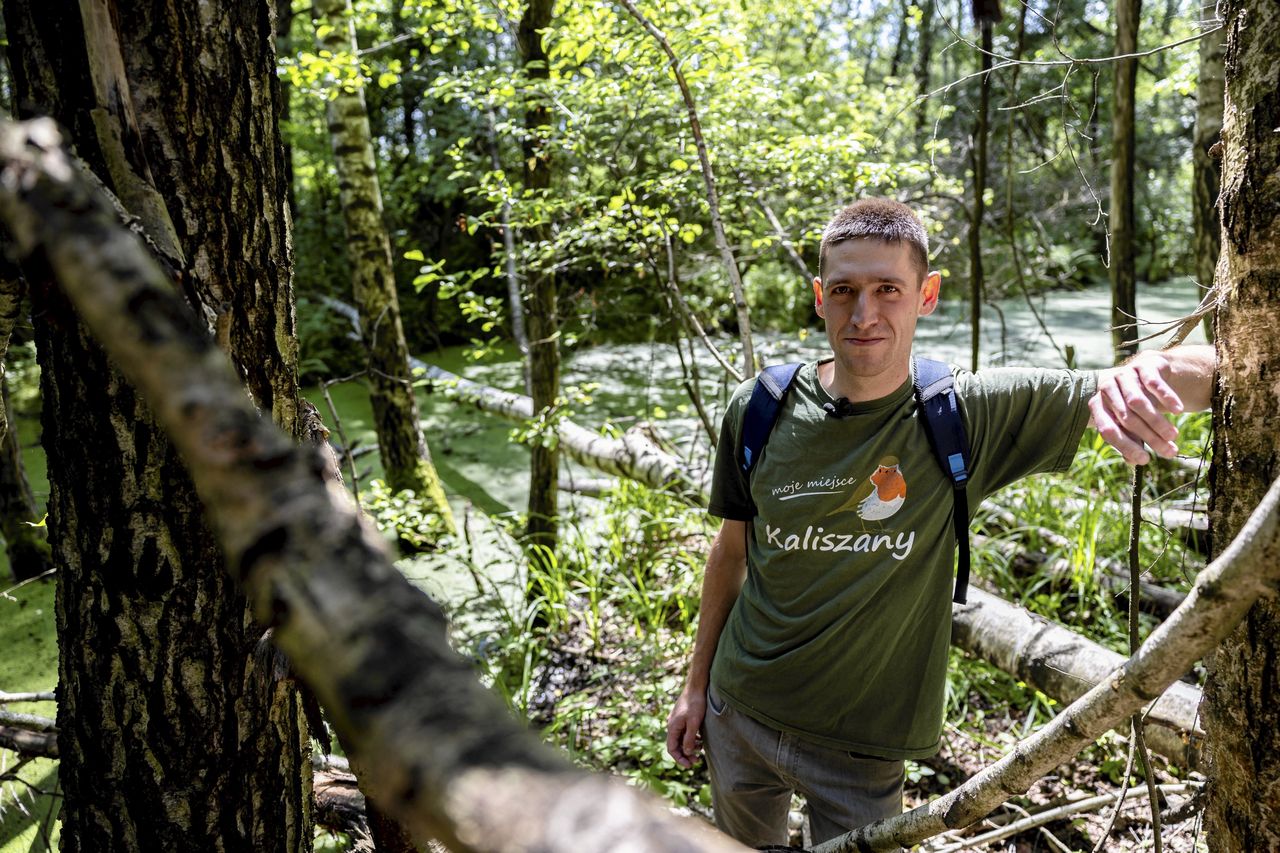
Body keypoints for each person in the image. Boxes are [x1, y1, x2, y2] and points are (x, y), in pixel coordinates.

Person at [664, 198, 1215, 848]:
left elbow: (1202, 375)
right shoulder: (760, 408)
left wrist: (1149, 372)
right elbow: (730, 554)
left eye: (887, 290)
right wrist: (694, 687)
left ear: (925, 295)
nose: (864, 313)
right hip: (741, 711)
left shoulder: (965, 413)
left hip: (861, 750)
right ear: (819, 296)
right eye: (844, 290)